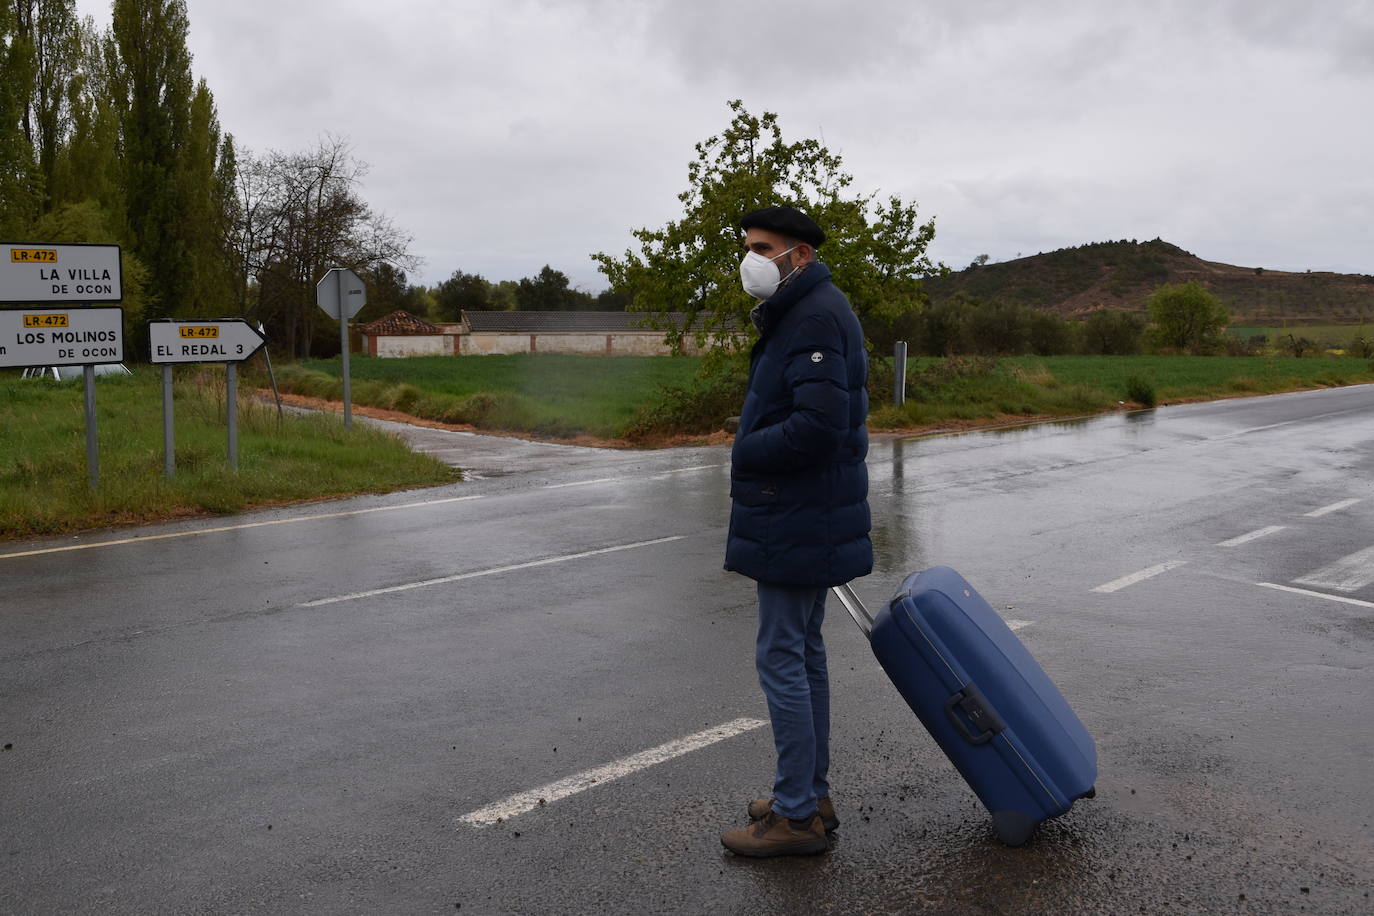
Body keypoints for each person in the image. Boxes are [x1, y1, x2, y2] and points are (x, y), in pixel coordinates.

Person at [719, 205, 872, 857]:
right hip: (804, 510)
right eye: (747, 246)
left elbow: (818, 427)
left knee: (782, 656)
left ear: (799, 255)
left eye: (763, 247)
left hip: (798, 510)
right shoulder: (806, 309)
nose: (750, 258)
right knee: (803, 655)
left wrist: (746, 448)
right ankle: (807, 795)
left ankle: (796, 815)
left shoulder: (812, 314)